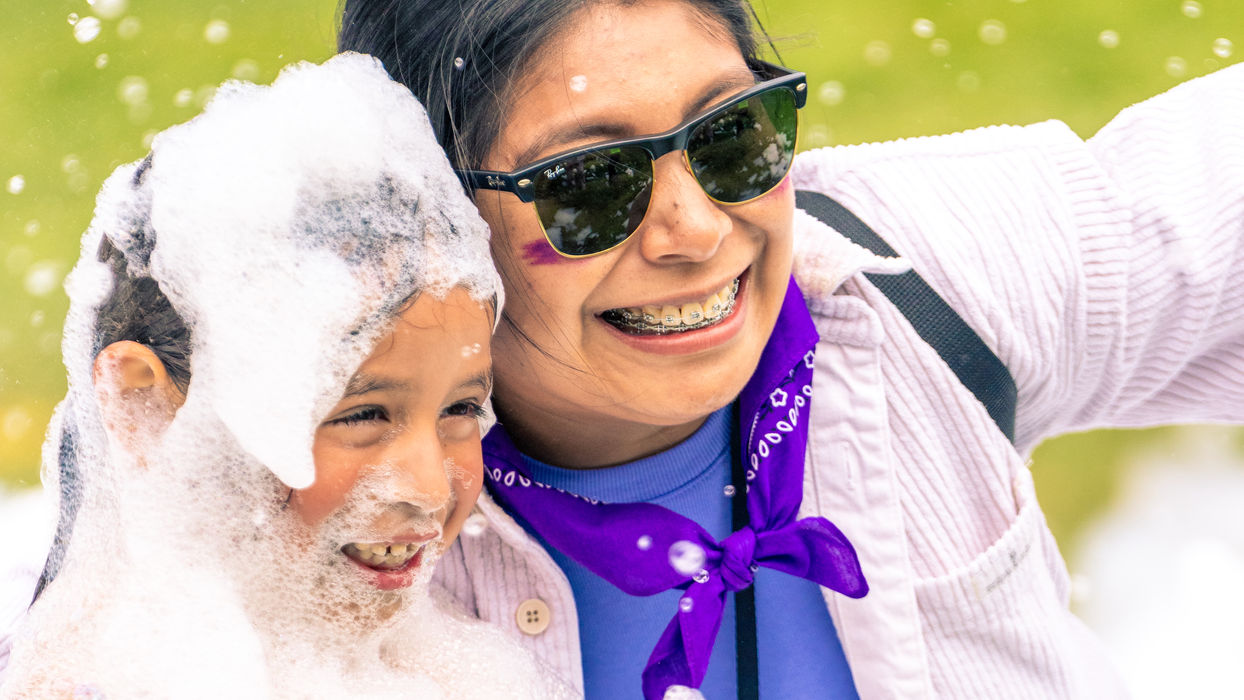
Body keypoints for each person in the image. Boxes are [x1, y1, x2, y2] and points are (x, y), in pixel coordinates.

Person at [338, 1, 1244, 698]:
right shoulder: (319, 492)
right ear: (435, 213)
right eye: (589, 184)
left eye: (732, 135)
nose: (694, 231)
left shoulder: (923, 275)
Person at [0, 53, 559, 699]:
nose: (431, 488)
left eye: (461, 408)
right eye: (362, 413)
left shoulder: (457, 663)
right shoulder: (91, 681)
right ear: (143, 406)